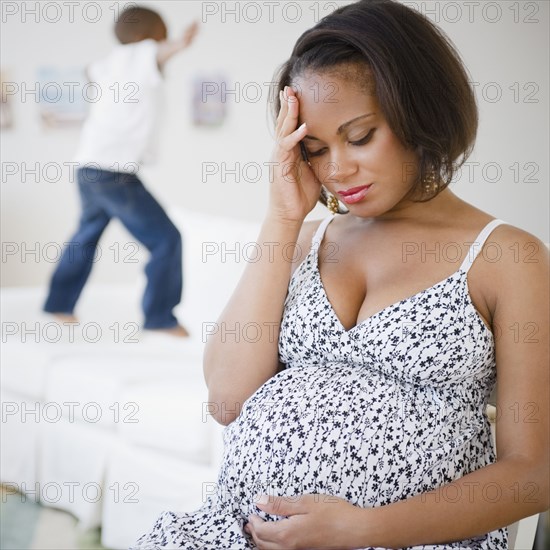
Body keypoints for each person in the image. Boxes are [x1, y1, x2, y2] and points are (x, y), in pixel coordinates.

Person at [133, 0, 549, 547]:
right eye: (314, 148)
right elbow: (227, 400)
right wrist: (283, 218)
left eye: (359, 136)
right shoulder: (305, 241)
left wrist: (362, 529)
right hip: (235, 532)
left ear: (420, 112)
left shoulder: (507, 258)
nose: (337, 169)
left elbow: (532, 474)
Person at [43, 6, 199, 336]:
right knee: (166, 239)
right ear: (153, 34)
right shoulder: (140, 54)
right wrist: (181, 43)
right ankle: (160, 317)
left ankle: (59, 304)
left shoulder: (108, 63)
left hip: (88, 166)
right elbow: (161, 51)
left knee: (85, 236)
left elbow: (88, 71)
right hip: (112, 172)